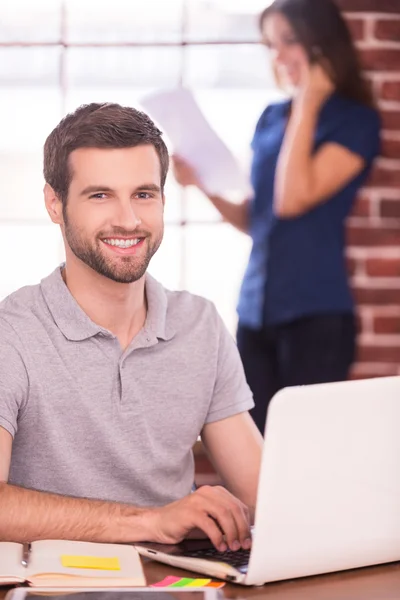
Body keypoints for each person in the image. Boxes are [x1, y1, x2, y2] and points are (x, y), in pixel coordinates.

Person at [0, 102, 263, 550]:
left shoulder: (199, 324)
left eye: (143, 194)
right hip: (55, 587)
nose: (128, 219)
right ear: (55, 204)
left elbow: (264, 494)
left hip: (176, 585)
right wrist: (152, 522)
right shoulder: (13, 334)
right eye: (100, 195)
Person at [172, 0, 381, 434]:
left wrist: (308, 102)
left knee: (302, 447)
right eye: (271, 45)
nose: (278, 56)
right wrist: (202, 186)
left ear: (322, 42)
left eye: (289, 41)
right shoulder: (271, 117)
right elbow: (258, 219)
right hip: (255, 310)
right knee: (253, 441)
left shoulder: (354, 121)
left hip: (316, 312)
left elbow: (292, 199)